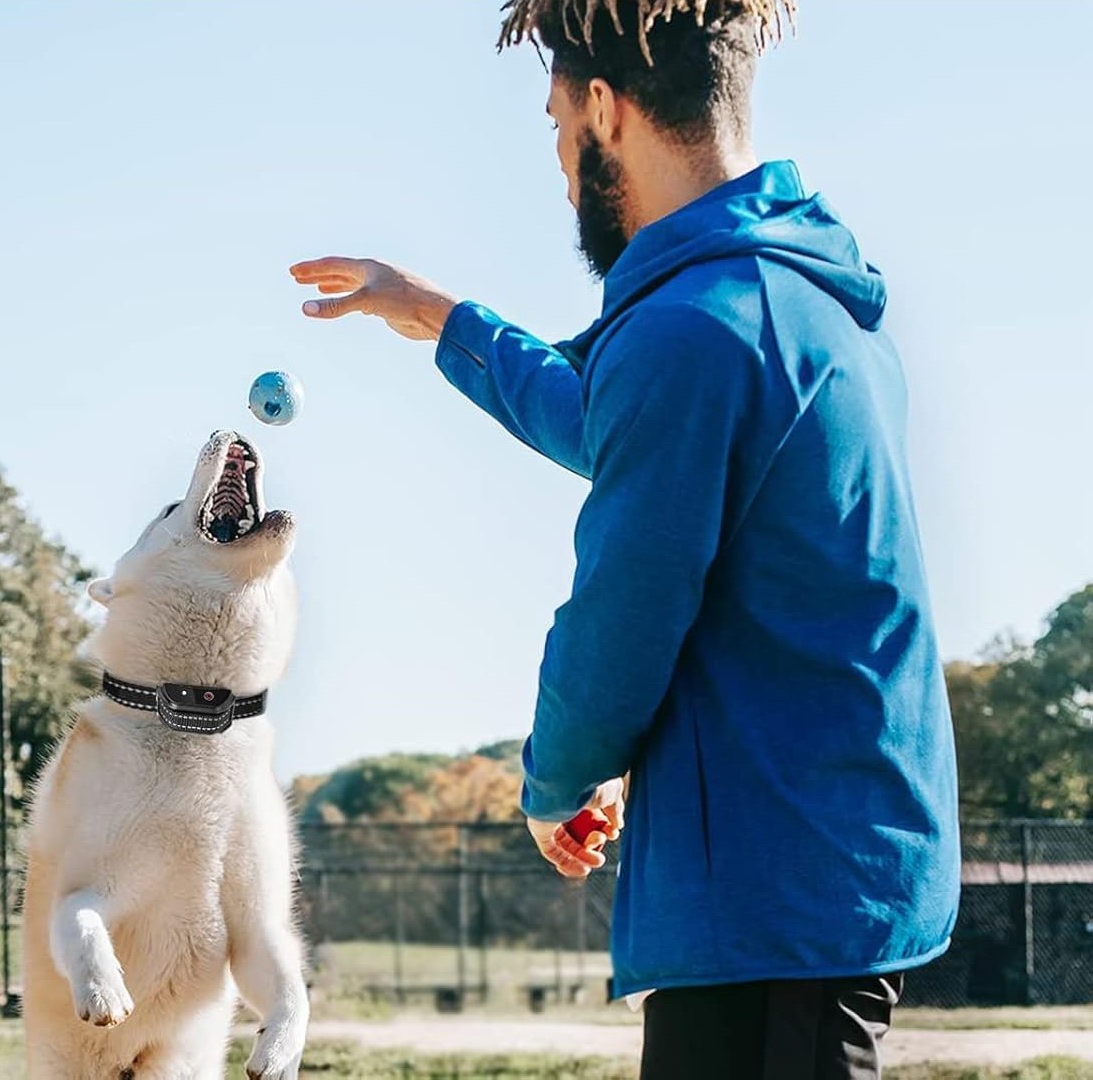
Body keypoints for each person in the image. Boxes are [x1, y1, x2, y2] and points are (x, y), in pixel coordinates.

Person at [290, 2, 959, 1077]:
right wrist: (436, 315)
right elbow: (607, 416)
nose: (558, 165)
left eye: (557, 124)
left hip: (774, 888)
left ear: (604, 108)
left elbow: (622, 616)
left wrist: (558, 776)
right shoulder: (786, 294)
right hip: (807, 870)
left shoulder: (693, 330)